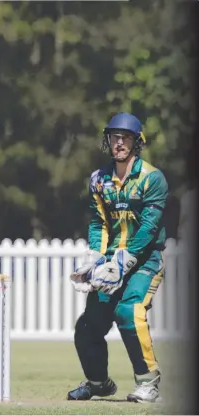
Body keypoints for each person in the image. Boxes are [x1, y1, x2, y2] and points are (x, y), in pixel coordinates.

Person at [67, 112, 168, 404]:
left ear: (137, 142)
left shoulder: (152, 179)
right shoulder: (99, 180)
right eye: (114, 137)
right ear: (107, 140)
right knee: (88, 326)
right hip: (110, 263)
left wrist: (123, 264)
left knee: (129, 312)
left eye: (125, 138)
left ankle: (148, 382)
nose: (119, 143)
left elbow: (149, 228)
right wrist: (94, 259)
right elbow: (99, 223)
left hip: (145, 262)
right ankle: (98, 383)